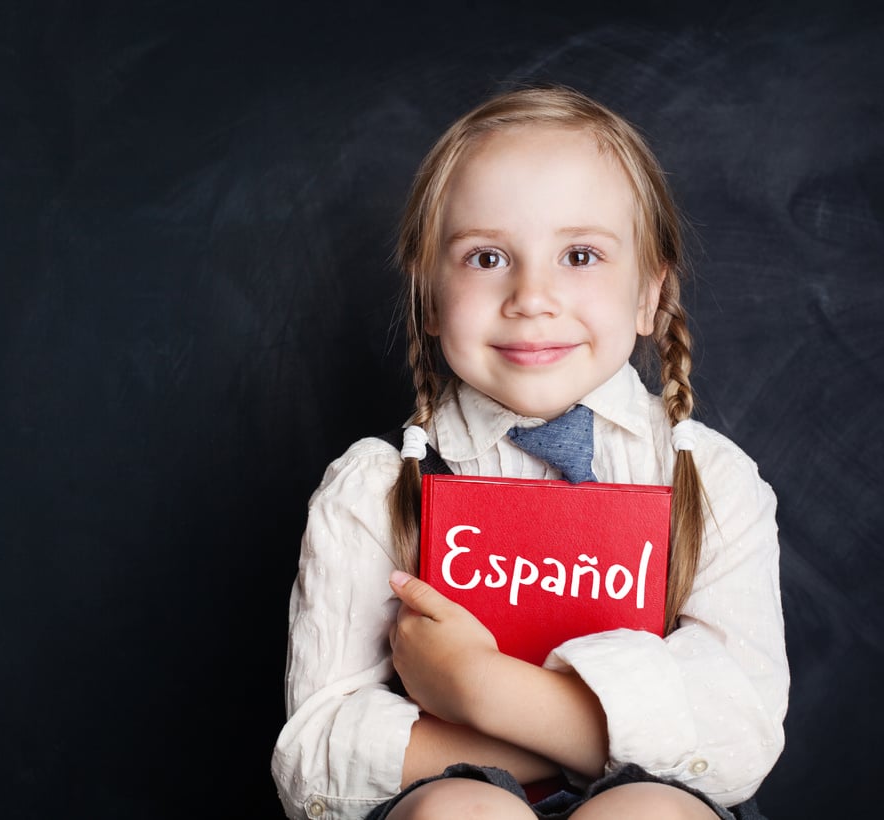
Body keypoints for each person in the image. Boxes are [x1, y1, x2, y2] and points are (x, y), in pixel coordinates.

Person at [271, 84, 788, 820]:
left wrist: (481, 689)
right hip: (446, 804)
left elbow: (737, 740)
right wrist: (560, 732)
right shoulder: (373, 489)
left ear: (650, 293)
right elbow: (315, 762)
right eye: (486, 258)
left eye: (580, 255)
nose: (532, 296)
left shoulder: (712, 482)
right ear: (428, 295)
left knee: (645, 813)